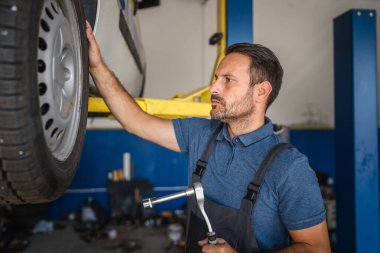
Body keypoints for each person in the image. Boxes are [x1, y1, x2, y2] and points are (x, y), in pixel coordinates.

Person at [86, 21, 330, 253]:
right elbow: (134, 121)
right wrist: (96, 65)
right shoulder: (200, 134)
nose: (213, 88)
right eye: (216, 78)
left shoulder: (289, 167)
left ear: (261, 92)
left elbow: (317, 248)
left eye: (228, 80)